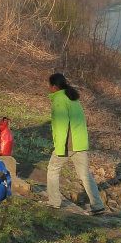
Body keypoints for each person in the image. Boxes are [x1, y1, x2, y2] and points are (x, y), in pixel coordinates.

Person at [45, 73, 105, 216]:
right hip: (80, 142)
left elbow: (61, 125)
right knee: (85, 175)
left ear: (54, 87)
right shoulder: (72, 97)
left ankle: (54, 202)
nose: (48, 88)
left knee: (52, 169)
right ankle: (97, 205)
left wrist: (59, 148)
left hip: (68, 144)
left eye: (49, 86)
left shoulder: (59, 99)